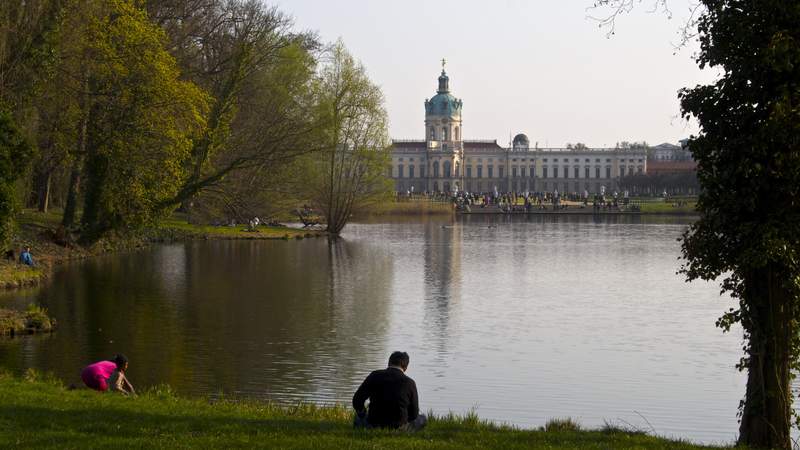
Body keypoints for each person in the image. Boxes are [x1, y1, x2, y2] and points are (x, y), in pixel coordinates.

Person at [352, 351, 427, 431]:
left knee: (358, 417)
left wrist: (363, 412)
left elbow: (357, 400)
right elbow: (414, 414)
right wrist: (405, 419)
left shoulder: (374, 375)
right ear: (405, 368)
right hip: (399, 426)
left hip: (374, 423)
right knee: (422, 418)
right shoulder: (410, 383)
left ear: (389, 363)